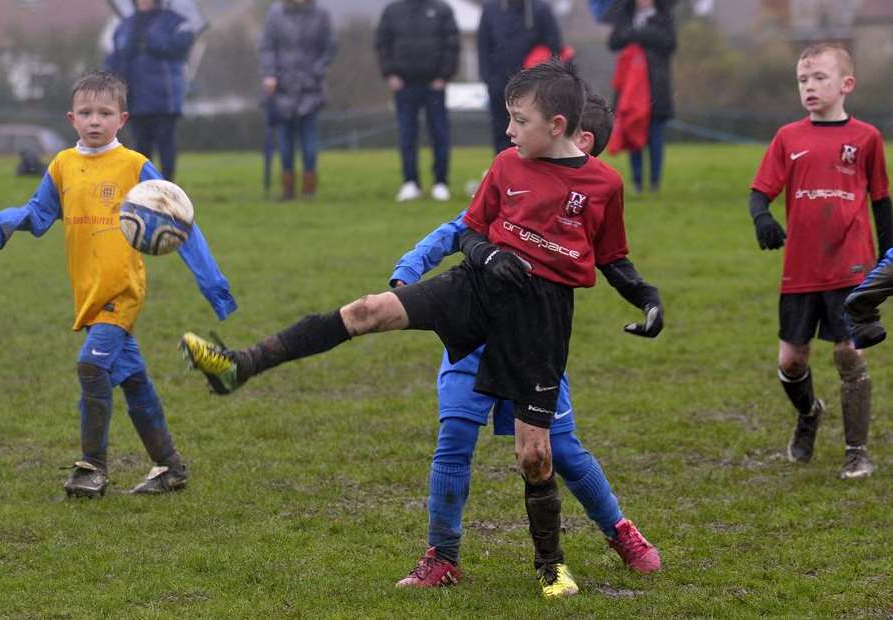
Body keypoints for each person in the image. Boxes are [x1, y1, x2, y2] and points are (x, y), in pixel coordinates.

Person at [180, 61, 664, 598]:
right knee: (368, 313)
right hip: (475, 293)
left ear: (560, 126)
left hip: (539, 322)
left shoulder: (602, 184)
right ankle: (241, 365)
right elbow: (467, 232)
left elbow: (614, 255)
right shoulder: (508, 165)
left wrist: (647, 297)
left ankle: (554, 564)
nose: (507, 130)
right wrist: (481, 258)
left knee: (541, 454)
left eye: (518, 119)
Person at [389, 92, 661, 590]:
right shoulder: (512, 179)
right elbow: (457, 230)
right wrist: (408, 272)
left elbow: (608, 258)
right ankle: (441, 555)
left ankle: (621, 531)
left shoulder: (585, 195)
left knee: (563, 450)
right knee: (453, 443)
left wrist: (642, 294)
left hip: (536, 351)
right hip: (475, 344)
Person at [0, 72, 237, 498]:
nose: (94, 121)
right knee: (133, 379)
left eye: (104, 113)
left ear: (121, 118)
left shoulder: (134, 165)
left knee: (92, 366)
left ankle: (92, 468)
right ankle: (170, 466)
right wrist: (15, 218)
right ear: (71, 118)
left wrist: (212, 282)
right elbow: (41, 211)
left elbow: (181, 222)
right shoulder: (63, 165)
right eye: (86, 113)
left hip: (121, 290)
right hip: (86, 292)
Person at [748, 43, 890, 480]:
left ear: (846, 84)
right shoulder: (788, 137)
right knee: (792, 362)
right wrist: (762, 217)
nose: (809, 87)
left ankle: (857, 452)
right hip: (800, 269)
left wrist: (888, 263)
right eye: (803, 80)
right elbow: (759, 191)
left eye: (819, 78)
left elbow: (882, 203)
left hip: (850, 267)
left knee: (849, 355)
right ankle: (809, 413)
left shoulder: (866, 138)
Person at [375, 0, 459, 203]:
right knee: (407, 135)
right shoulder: (392, 10)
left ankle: (440, 182)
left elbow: (452, 44)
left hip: (434, 85)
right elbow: (382, 44)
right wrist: (390, 74)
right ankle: (410, 182)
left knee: (439, 134)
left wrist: (444, 76)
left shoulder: (441, 9)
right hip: (404, 85)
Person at [105, 0, 195, 182]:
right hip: (135, 96)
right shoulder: (125, 26)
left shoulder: (176, 22)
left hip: (164, 98)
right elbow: (114, 58)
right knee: (140, 146)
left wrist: (153, 40)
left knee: (165, 143)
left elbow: (181, 46)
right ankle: (144, 188)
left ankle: (168, 187)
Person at [259, 0, 335, 201]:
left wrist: (316, 72)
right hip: (282, 87)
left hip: (311, 87)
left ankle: (309, 189)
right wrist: (270, 74)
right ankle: (288, 189)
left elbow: (329, 48)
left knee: (309, 141)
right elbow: (267, 46)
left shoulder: (321, 14)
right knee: (285, 142)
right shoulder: (275, 14)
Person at [607, 0, 676, 193]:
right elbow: (613, 42)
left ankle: (655, 182)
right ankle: (637, 181)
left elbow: (670, 43)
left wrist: (638, 34)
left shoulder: (664, 16)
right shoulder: (625, 15)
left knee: (655, 136)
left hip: (656, 88)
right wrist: (633, 33)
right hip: (630, 88)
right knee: (633, 131)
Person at [478, 0, 562, 154]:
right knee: (501, 131)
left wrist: (541, 78)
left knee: (532, 131)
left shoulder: (540, 9)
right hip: (499, 84)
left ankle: (532, 173)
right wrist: (488, 78)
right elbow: (483, 46)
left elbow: (554, 46)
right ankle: (504, 172)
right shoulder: (491, 9)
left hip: (532, 87)